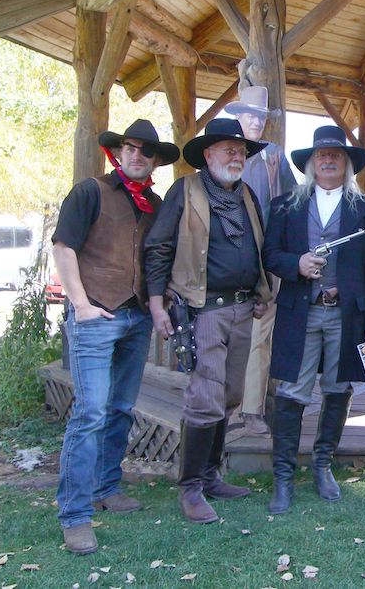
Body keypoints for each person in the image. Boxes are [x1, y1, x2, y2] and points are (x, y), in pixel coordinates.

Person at [53, 119, 180, 554]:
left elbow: (161, 256)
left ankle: (107, 487)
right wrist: (82, 305)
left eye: (147, 151)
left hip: (136, 317)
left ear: (156, 160)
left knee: (121, 408)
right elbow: (63, 247)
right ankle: (74, 514)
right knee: (89, 412)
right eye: (131, 148)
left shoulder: (157, 204)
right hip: (95, 317)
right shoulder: (90, 191)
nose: (138, 156)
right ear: (118, 151)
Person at [145, 117, 272, 524]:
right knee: (204, 397)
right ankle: (191, 488)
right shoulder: (185, 190)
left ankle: (212, 475)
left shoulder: (247, 195)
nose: (237, 156)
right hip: (202, 310)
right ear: (207, 155)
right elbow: (159, 247)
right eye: (228, 149)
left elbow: (257, 248)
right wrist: (155, 302)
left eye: (241, 151)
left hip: (241, 308)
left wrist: (260, 291)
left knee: (231, 394)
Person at [262, 125, 365, 513]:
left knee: (337, 389)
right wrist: (295, 264)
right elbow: (269, 255)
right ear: (312, 163)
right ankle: (283, 476)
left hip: (347, 316)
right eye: (322, 155)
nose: (329, 160)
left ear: (347, 164)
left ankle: (322, 466)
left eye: (336, 155)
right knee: (292, 392)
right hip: (300, 313)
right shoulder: (287, 206)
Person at [230, 86, 298, 435]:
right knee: (224, 333)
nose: (255, 121)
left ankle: (251, 410)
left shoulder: (275, 156)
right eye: (250, 114)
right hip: (225, 264)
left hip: (265, 265)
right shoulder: (224, 152)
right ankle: (223, 405)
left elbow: (290, 206)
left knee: (260, 335)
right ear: (238, 116)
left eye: (260, 116)